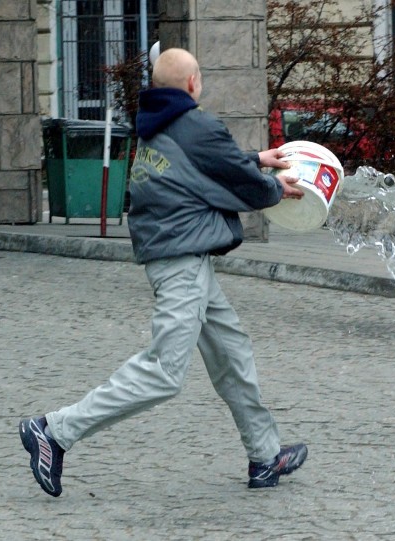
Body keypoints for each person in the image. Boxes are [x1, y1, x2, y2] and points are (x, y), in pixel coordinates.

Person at [20, 48, 308, 496]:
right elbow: (236, 179)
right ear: (193, 82)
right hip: (182, 263)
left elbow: (203, 164)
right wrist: (274, 185)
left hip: (182, 258)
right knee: (163, 372)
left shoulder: (155, 122)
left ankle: (265, 456)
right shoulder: (196, 124)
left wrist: (255, 158)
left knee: (232, 355)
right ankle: (53, 431)